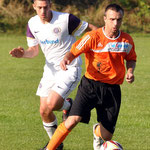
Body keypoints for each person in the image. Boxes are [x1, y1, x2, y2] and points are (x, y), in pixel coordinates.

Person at [45, 3, 137, 150]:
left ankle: (96, 131)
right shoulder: (93, 37)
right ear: (105, 18)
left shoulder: (126, 40)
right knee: (72, 120)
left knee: (106, 137)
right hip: (90, 86)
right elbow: (74, 51)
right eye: (112, 19)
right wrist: (67, 58)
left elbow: (131, 58)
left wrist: (130, 71)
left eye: (119, 20)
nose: (115, 23)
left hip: (112, 90)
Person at [9, 0, 97, 150]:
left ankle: (68, 106)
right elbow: (34, 51)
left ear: (50, 5)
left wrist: (105, 44)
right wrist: (22, 54)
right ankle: (55, 144)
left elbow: (92, 30)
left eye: (46, 7)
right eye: (40, 8)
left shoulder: (66, 19)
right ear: (34, 7)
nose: (43, 11)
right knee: (44, 110)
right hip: (49, 70)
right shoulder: (32, 23)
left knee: (52, 103)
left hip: (69, 67)